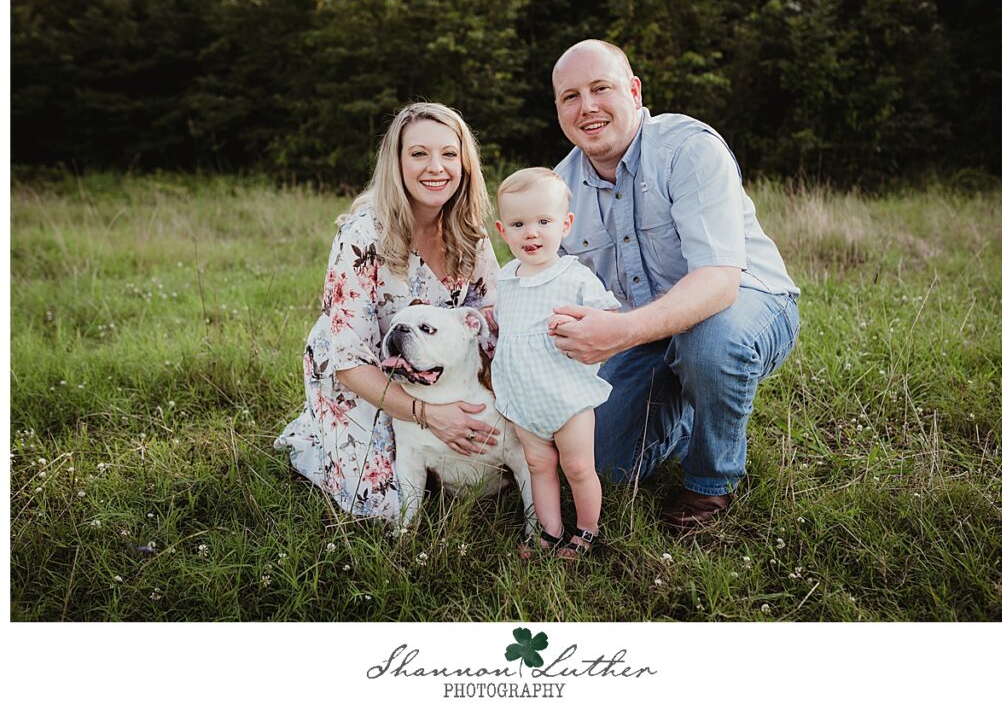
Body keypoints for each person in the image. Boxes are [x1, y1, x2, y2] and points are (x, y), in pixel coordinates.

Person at [548, 39, 801, 532]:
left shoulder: (688, 149)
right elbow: (555, 291)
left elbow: (718, 283)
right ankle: (687, 415)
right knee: (600, 462)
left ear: (634, 91)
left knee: (711, 345)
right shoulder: (559, 190)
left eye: (601, 88)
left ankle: (710, 481)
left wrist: (620, 334)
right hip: (645, 332)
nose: (587, 107)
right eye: (571, 96)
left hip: (744, 303)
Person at [274, 102, 501, 521]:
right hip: (365, 374)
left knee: (484, 474)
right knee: (385, 505)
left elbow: (494, 319)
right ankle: (312, 435)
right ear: (396, 163)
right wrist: (430, 417)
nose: (436, 167)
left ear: (465, 164)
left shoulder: (470, 234)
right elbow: (348, 361)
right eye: (419, 154)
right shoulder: (361, 235)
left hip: (437, 371)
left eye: (449, 154)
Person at [491, 168, 621, 558]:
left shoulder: (574, 277)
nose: (531, 233)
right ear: (503, 231)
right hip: (524, 397)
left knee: (578, 467)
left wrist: (575, 324)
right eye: (519, 224)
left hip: (567, 397)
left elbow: (609, 321)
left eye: (543, 222)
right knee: (538, 464)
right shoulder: (506, 279)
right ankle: (549, 530)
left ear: (565, 225)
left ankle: (587, 530)